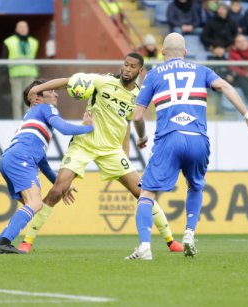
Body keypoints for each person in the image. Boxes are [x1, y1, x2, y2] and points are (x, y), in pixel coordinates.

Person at [17, 53, 183, 254]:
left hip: (111, 150)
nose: (127, 69)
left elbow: (130, 121)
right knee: (58, 190)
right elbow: (69, 82)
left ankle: (170, 240)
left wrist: (132, 146)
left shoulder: (138, 96)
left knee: (142, 192)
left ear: (140, 71)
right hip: (84, 144)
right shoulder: (103, 81)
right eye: (125, 65)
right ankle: (27, 241)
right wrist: (38, 88)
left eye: (132, 67)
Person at [126, 32, 248, 260]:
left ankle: (144, 247)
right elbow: (226, 87)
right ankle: (189, 233)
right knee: (195, 186)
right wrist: (247, 115)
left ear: (162, 53)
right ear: (186, 53)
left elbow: (138, 115)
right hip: (198, 138)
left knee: (147, 193)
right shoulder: (202, 70)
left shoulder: (152, 75)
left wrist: (141, 138)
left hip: (169, 138)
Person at [0, 80, 94, 254]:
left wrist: (60, 185)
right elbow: (64, 128)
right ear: (37, 98)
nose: (56, 94)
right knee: (35, 203)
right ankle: (4, 242)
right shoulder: (46, 108)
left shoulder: (32, 116)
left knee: (31, 205)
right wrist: (90, 128)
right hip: (21, 158)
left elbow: (43, 163)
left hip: (10, 158)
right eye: (50, 91)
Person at [3, 21, 39, 120]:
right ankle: (17, 121)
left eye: (25, 27)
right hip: (15, 75)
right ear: (16, 29)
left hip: (30, 74)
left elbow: (36, 58)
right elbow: (3, 59)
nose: (23, 29)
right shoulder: (9, 41)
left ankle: (28, 119)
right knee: (17, 99)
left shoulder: (33, 42)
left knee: (30, 99)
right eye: (20, 27)